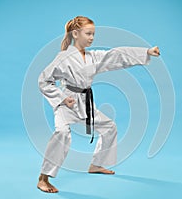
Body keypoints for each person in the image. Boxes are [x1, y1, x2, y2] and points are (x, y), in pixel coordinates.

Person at [37, 16, 160, 193]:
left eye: (93, 34)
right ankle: (43, 178)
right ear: (75, 33)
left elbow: (116, 55)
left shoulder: (92, 56)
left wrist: (146, 52)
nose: (92, 38)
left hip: (84, 102)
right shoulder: (63, 58)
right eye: (88, 33)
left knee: (109, 127)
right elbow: (43, 80)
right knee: (62, 133)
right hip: (67, 103)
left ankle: (96, 164)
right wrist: (62, 98)